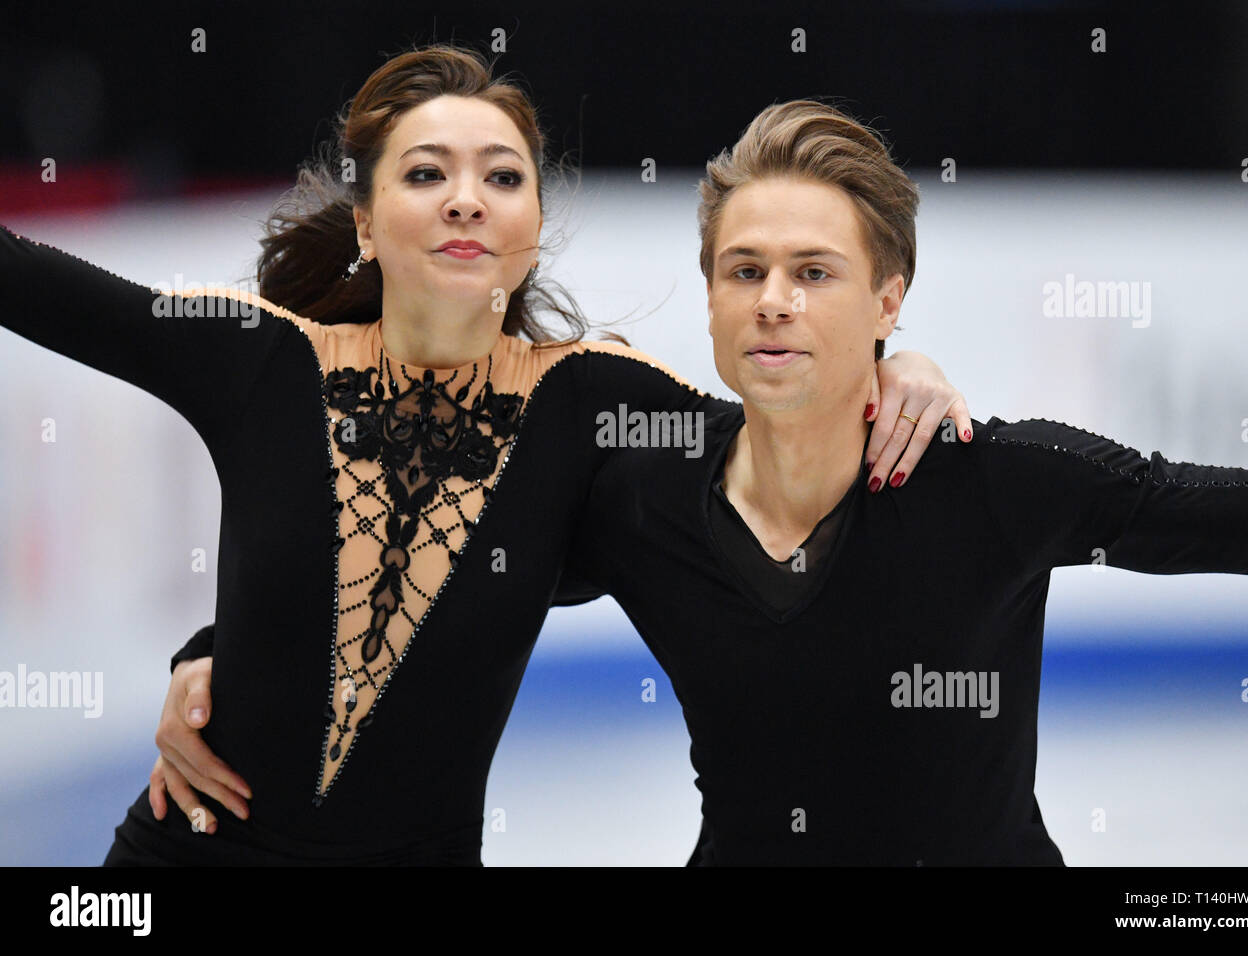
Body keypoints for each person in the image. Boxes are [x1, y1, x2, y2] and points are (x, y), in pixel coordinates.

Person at [0, 46, 967, 865]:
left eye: (502, 177)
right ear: (368, 224)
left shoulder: (590, 402)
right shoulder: (262, 361)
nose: (468, 200)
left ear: (534, 229)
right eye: (426, 174)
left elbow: (788, 428)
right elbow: (31, 283)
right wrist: (213, 652)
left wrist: (901, 363)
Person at [554, 99, 1248, 864]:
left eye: (813, 272)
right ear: (711, 296)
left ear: (888, 302)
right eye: (746, 271)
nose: (773, 301)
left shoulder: (994, 482)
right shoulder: (647, 498)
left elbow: (1232, 514)